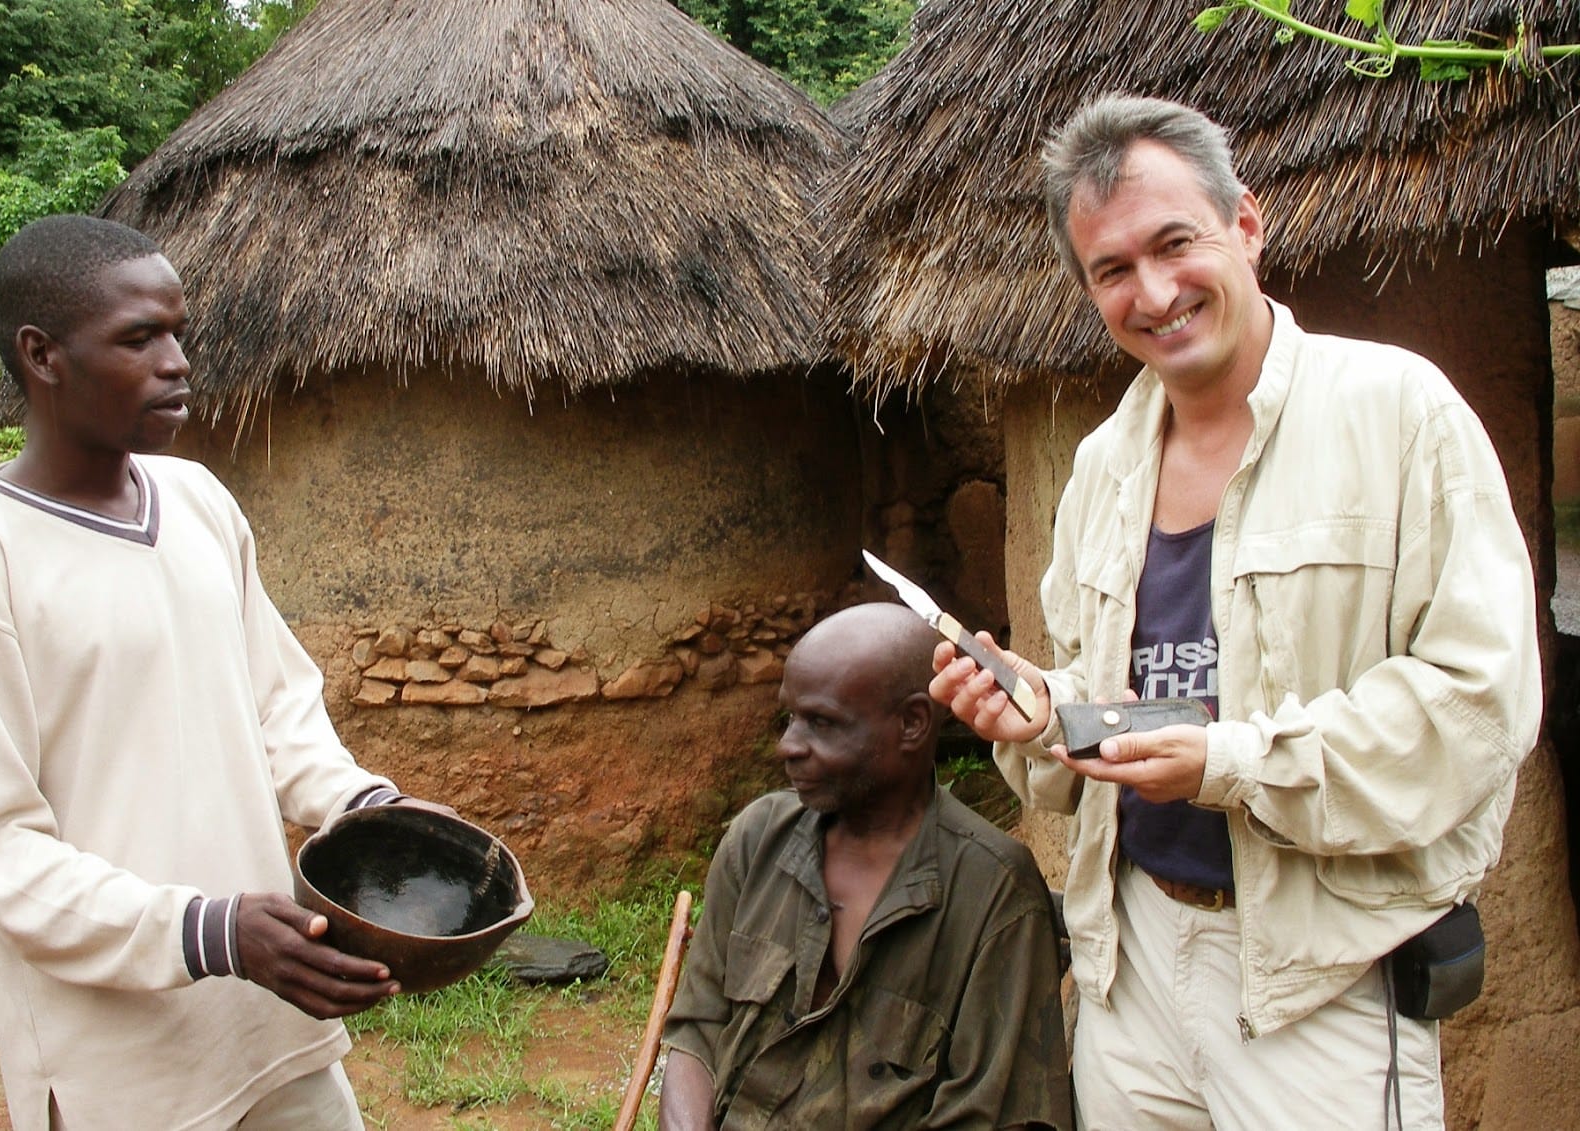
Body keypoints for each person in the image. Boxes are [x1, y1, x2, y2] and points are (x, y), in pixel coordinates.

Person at [931, 94, 1541, 1130]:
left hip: (1321, 980)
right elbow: (1103, 695)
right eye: (1111, 270)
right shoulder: (1100, 469)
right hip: (1129, 965)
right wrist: (1037, 712)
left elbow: (1475, 705)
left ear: (1246, 224)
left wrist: (1230, 762)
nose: (1154, 292)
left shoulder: (1399, 413)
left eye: (1176, 243)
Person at [0, 214, 453, 1130]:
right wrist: (207, 931)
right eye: (139, 338)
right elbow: (1, 850)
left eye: (179, 333)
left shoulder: (197, 500)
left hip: (272, 1026)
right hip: (121, 1070)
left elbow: (281, 709)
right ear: (43, 356)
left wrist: (365, 808)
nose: (178, 361)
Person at [658, 602, 1071, 1130]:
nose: (789, 745)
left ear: (913, 724)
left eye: (822, 723)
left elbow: (991, 1116)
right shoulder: (757, 840)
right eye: (790, 717)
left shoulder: (993, 893)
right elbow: (697, 1032)